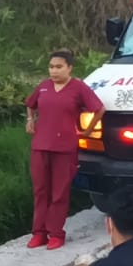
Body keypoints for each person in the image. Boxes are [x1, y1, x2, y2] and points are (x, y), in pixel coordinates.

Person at [26, 49, 106, 250]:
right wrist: (30, 119)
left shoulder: (78, 88)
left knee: (59, 192)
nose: (54, 71)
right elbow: (30, 103)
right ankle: (39, 233)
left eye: (59, 67)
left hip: (64, 147)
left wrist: (87, 131)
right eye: (51, 67)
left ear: (69, 68)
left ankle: (56, 234)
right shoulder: (44, 87)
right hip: (40, 145)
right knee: (40, 190)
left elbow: (99, 109)